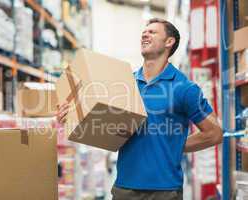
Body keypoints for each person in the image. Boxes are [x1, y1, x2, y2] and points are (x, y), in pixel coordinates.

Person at [56, 18, 223, 200]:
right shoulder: (124, 83)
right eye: (144, 31)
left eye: (153, 32)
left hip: (165, 191)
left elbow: (214, 133)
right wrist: (71, 116)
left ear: (169, 42)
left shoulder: (185, 88)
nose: (145, 34)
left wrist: (176, 145)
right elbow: (101, 125)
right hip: (124, 188)